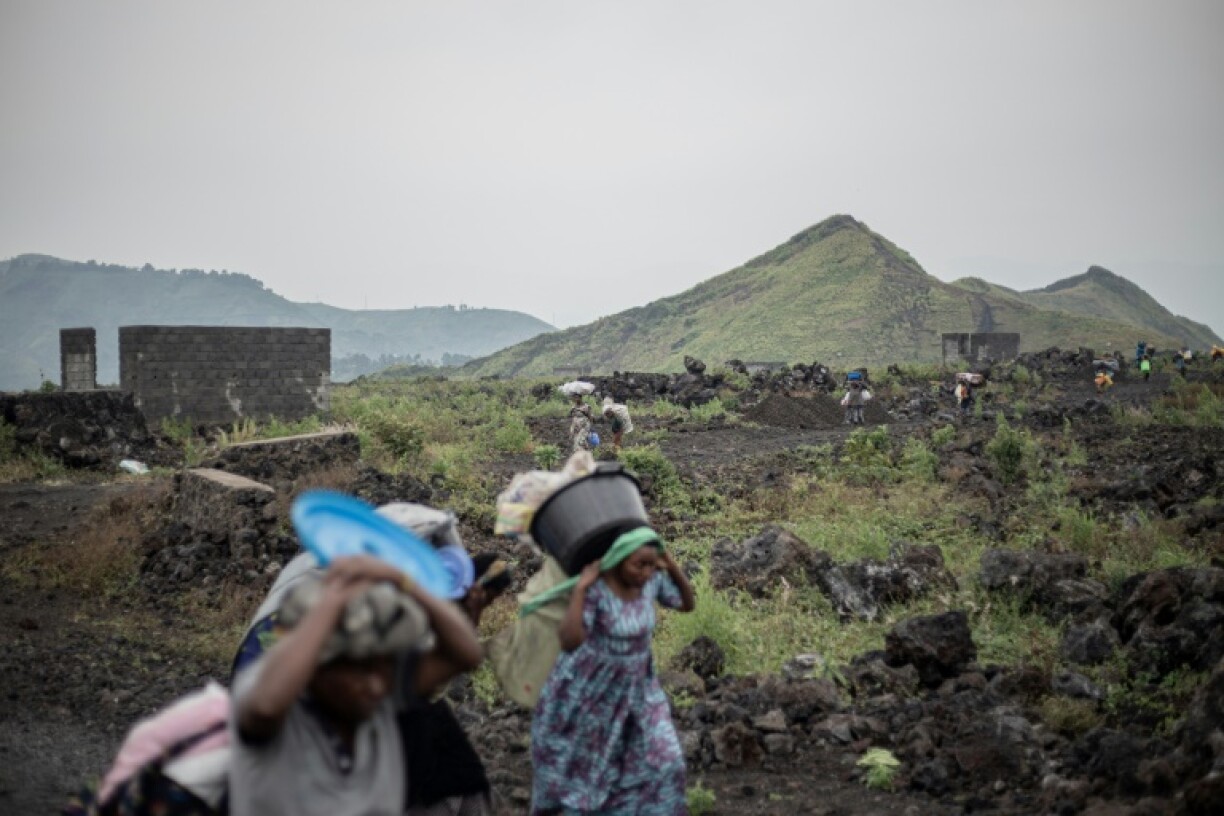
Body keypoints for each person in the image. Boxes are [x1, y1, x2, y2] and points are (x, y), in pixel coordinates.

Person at [229, 555, 483, 816]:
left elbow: (465, 655)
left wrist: (403, 580)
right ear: (317, 668)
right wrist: (335, 598)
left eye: (381, 668)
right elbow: (265, 708)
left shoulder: (379, 705)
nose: (374, 685)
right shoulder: (283, 713)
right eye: (357, 672)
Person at [530, 528, 695, 815]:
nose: (644, 572)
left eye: (649, 564)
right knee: (587, 773)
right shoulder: (598, 589)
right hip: (592, 693)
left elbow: (686, 603)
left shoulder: (652, 583)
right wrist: (581, 589)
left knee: (666, 760)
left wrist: (671, 564)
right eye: (638, 565)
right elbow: (570, 640)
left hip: (639, 691)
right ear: (619, 560)